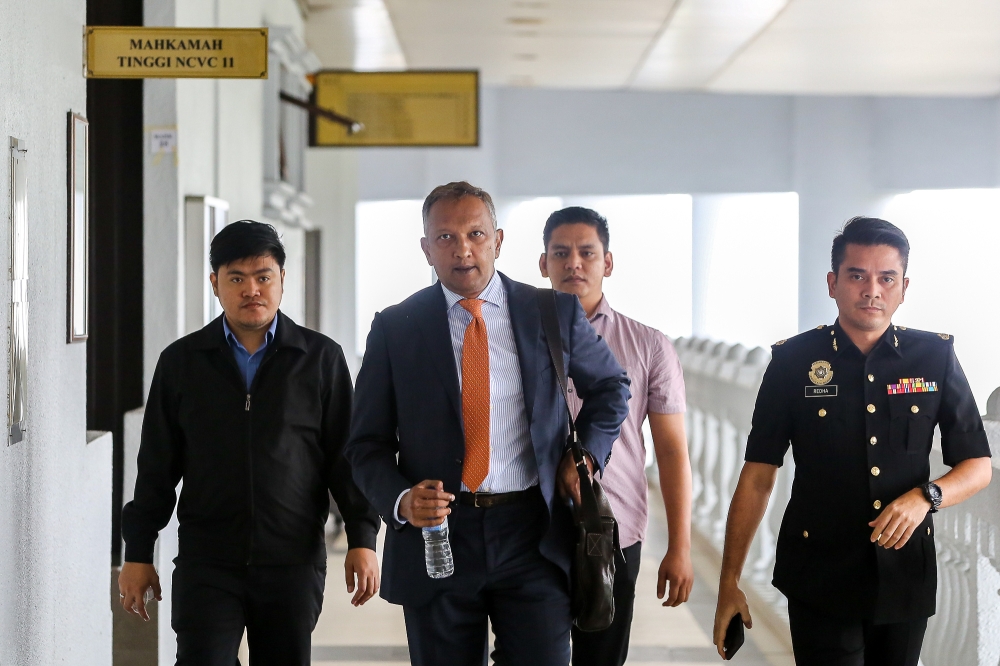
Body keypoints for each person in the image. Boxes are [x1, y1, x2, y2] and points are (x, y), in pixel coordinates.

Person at [345, 182, 631, 666]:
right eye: (445, 238)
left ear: (497, 241)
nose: (463, 250)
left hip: (533, 533)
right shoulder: (397, 327)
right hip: (438, 536)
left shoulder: (551, 313)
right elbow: (365, 444)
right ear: (425, 248)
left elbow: (610, 388)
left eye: (475, 234)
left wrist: (584, 455)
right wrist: (400, 499)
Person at [712, 217, 992, 665]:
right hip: (818, 574)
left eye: (887, 278)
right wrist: (729, 582)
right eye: (857, 275)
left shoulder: (935, 357)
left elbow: (977, 465)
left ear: (904, 287)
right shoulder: (793, 361)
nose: (872, 290)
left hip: (904, 574)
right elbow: (759, 474)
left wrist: (927, 497)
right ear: (832, 283)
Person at [118, 221, 380, 666]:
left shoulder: (320, 359)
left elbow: (345, 459)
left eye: (263, 277)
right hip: (208, 561)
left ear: (282, 280)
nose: (251, 290)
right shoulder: (182, 362)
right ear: (215, 284)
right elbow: (157, 467)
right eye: (236, 278)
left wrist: (363, 537)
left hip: (292, 562)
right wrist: (138, 552)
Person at [538, 206, 693, 666]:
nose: (574, 263)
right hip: (531, 529)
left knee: (601, 658)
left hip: (615, 529)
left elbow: (671, 452)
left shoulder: (648, 345)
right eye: (560, 253)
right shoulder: (517, 337)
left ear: (608, 263)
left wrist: (680, 547)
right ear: (542, 263)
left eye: (587, 252)